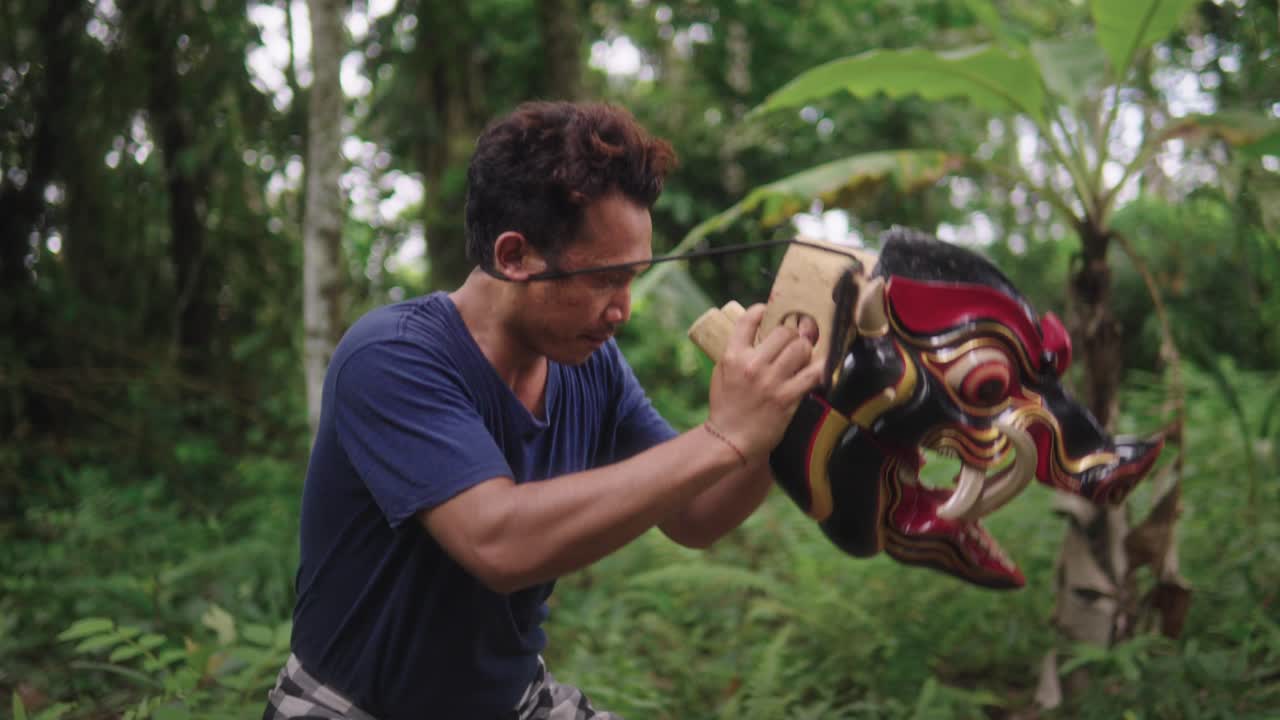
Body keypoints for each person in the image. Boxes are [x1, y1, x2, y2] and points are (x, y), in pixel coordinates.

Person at [263, 101, 823, 720]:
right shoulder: (391, 357)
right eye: (607, 279)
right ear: (513, 256)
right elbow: (498, 542)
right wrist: (725, 436)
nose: (624, 310)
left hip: (513, 703)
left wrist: (795, 415)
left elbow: (694, 516)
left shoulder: (589, 365)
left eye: (635, 279)